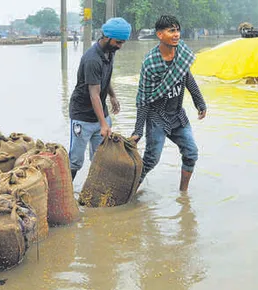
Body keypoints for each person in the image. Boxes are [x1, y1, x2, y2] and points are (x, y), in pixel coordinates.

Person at [129, 15, 207, 191]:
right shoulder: (150, 63)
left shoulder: (182, 53)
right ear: (159, 34)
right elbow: (143, 98)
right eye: (171, 30)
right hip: (157, 116)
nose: (176, 34)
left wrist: (199, 102)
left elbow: (187, 77)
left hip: (177, 114)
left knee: (191, 153)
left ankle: (183, 195)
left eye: (178, 30)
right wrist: (138, 130)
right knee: (151, 160)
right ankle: (129, 193)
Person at [68, 17, 132, 181]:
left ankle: (94, 197)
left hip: (100, 113)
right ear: (106, 37)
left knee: (100, 159)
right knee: (75, 161)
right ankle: (66, 196)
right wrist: (103, 124)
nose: (120, 46)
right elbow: (94, 93)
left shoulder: (109, 53)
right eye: (118, 42)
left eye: (122, 43)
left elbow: (105, 78)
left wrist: (112, 96)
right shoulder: (92, 59)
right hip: (82, 116)